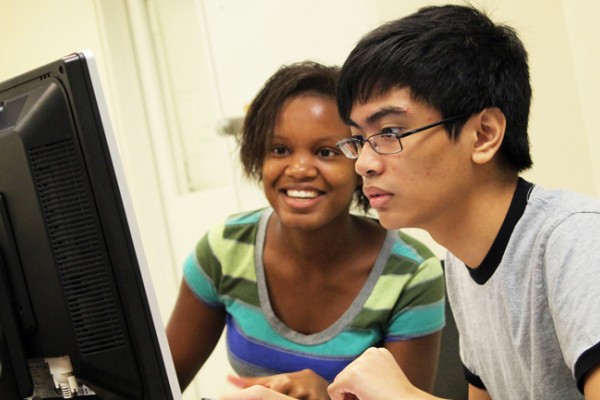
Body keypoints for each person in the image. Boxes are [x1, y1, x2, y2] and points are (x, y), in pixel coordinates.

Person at [219, 4, 600, 400]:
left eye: (389, 132)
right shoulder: (463, 261)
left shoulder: (577, 241)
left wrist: (402, 396)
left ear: (484, 134)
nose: (364, 163)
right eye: (358, 139)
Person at [166, 61, 446, 400]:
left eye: (325, 152)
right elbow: (154, 384)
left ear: (360, 161)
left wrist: (326, 397)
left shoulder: (412, 273)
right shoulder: (225, 248)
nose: (298, 169)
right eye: (279, 150)